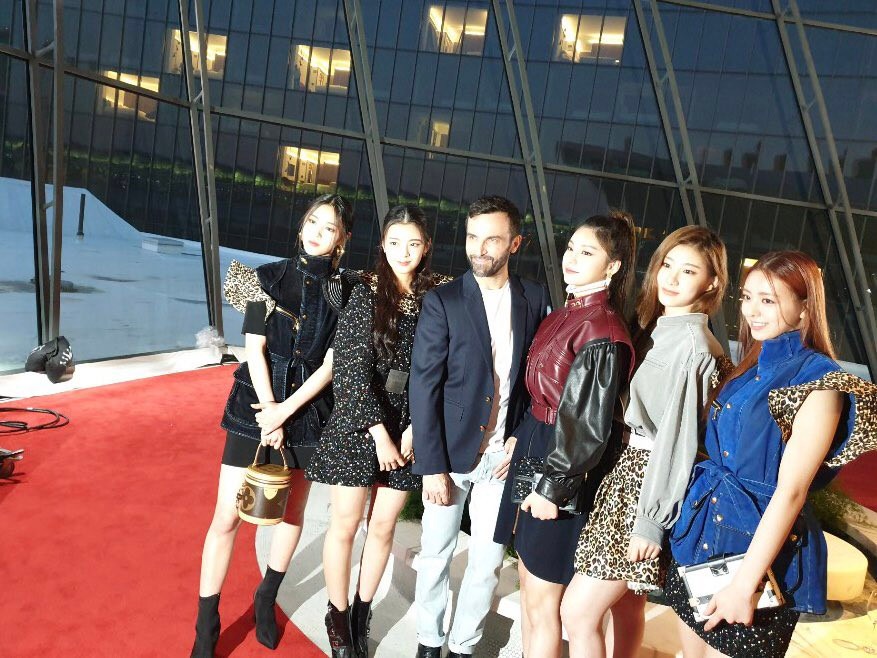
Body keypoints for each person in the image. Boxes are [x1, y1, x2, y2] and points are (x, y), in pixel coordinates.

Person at [665, 250, 877, 658]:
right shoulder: (751, 364)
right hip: (705, 535)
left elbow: (791, 493)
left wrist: (745, 585)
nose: (752, 312)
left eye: (769, 300)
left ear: (803, 310)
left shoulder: (821, 381)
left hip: (758, 556)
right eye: (748, 297)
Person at [191, 194, 354, 657]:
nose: (318, 231)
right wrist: (268, 409)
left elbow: (330, 366)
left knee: (291, 512)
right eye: (312, 222)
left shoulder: (345, 292)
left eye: (330, 227)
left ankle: (266, 597)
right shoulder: (266, 278)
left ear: (342, 239)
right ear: (301, 226)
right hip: (252, 406)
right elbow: (254, 347)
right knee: (226, 517)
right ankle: (207, 623)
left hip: (308, 412)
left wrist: (286, 412)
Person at [561, 226, 729, 658]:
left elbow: (678, 442)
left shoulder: (693, 346)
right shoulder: (658, 327)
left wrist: (651, 522)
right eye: (667, 265)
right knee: (626, 609)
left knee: (578, 614)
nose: (671, 278)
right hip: (630, 473)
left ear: (711, 283)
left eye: (688, 271)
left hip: (645, 484)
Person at [306, 205, 450, 658]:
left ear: (426, 246)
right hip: (358, 423)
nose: (402, 252)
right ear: (382, 244)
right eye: (394, 242)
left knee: (383, 525)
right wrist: (380, 434)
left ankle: (361, 613)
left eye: (412, 243)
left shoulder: (437, 297)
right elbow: (350, 369)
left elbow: (439, 371)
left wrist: (412, 431)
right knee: (345, 526)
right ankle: (337, 617)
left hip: (410, 428)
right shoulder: (365, 292)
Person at [410, 195, 550, 658]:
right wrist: (432, 467)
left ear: (515, 243)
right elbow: (423, 387)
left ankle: (463, 645)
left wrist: (518, 437)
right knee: (435, 556)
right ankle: (429, 641)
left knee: (487, 562)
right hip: (448, 458)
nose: (480, 248)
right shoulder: (443, 301)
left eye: (492, 238)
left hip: (503, 459)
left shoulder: (534, 298)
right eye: (473, 237)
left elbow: (538, 382)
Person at [493, 211, 637, 658]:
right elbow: (544, 390)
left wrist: (552, 489)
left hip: (560, 465)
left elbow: (589, 429)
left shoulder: (603, 329)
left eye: (587, 252)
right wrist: (519, 433)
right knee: (530, 591)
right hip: (538, 445)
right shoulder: (569, 311)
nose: (571, 258)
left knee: (543, 601)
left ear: (612, 267)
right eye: (571, 247)